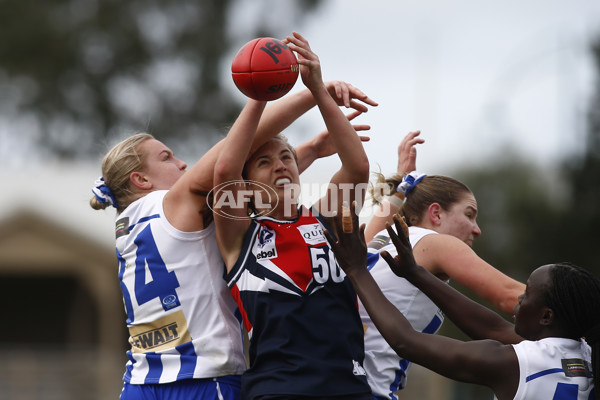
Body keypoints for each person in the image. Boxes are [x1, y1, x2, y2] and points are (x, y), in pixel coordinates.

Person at [89, 74, 377, 398]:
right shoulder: (180, 203)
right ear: (140, 178)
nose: (182, 163)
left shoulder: (129, 224)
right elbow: (231, 169)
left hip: (140, 381)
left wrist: (304, 151)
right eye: (166, 157)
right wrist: (301, 92)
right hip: (202, 377)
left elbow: (261, 189)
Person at [212, 31, 374, 400]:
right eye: (264, 162)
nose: (280, 166)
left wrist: (318, 88)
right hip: (278, 389)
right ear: (247, 184)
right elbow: (223, 171)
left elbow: (357, 167)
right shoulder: (240, 233)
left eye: (285, 157)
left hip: (347, 388)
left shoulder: (326, 219)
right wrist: (260, 94)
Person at [325, 207, 600, 400]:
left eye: (527, 293)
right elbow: (490, 326)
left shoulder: (512, 363)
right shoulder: (585, 353)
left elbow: (405, 341)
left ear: (546, 317)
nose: (519, 297)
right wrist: (416, 273)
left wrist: (358, 269)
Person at [359, 130, 525, 399]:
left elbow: (383, 217)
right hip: (366, 390)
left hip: (336, 379)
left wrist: (402, 183)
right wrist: (578, 317)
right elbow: (510, 297)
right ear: (435, 213)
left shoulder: (375, 240)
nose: (477, 229)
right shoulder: (434, 242)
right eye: (469, 215)